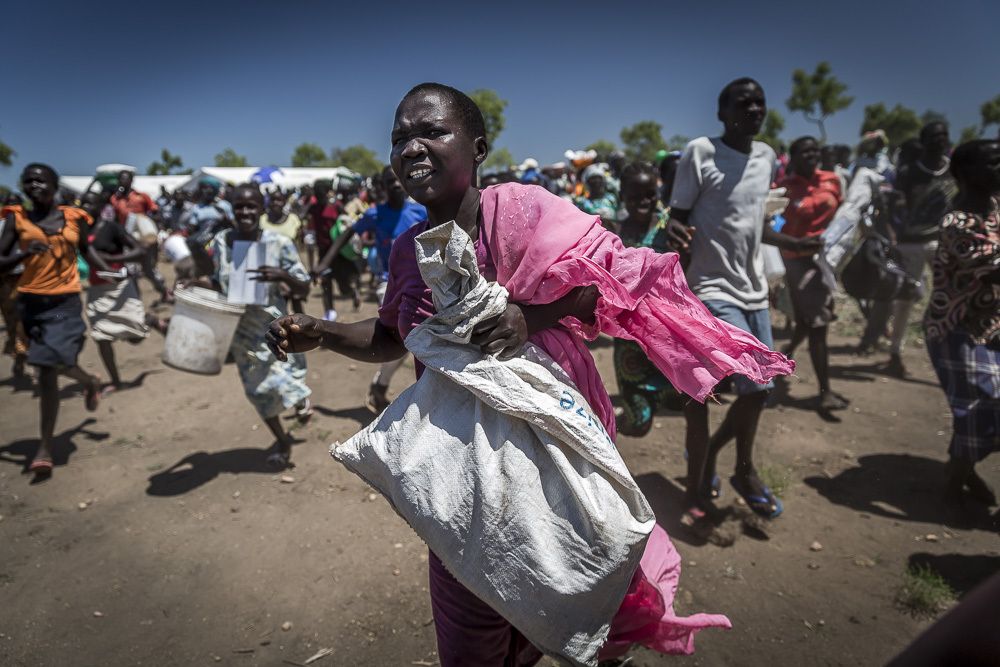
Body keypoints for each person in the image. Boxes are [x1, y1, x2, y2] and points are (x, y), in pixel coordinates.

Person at [265, 82, 793, 666]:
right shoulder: (408, 249)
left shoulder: (523, 211)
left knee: (579, 579)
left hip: (556, 450)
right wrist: (325, 333)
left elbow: (606, 289)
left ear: (478, 147)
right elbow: (393, 336)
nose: (412, 148)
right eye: (400, 138)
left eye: (432, 132)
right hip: (461, 472)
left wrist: (533, 314)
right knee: (474, 616)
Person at [665, 77, 799, 520]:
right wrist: (676, 232)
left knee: (760, 392)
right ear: (722, 113)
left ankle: (735, 467)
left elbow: (753, 222)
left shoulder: (765, 158)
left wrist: (798, 244)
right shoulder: (701, 152)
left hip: (754, 288)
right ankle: (715, 469)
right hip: (713, 286)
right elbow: (677, 217)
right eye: (745, 102)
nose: (755, 109)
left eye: (760, 101)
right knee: (752, 382)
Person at [193, 183, 313, 468]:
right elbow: (219, 281)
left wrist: (281, 275)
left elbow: (304, 286)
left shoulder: (277, 243)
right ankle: (282, 440)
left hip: (275, 330)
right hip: (241, 333)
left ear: (261, 209)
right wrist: (196, 283)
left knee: (288, 380)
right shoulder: (223, 241)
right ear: (231, 209)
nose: (245, 212)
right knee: (258, 392)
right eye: (239, 206)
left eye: (251, 206)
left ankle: (299, 402)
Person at [0, 163, 102, 477]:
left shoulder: (73, 217)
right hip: (30, 303)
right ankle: (88, 383)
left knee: (49, 363)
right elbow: (1, 260)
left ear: (54, 185)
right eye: (28, 181)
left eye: (41, 181)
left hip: (64, 304)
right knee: (49, 367)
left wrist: (109, 271)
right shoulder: (16, 218)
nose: (34, 186)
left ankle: (45, 447)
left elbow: (87, 251)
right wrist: (23, 255)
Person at [923, 139, 999, 507]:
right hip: (957, 331)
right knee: (982, 404)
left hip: (993, 328)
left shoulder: (996, 211)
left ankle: (962, 473)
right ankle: (955, 484)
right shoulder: (957, 224)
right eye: (994, 162)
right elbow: (992, 267)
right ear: (966, 173)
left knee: (982, 407)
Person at [314, 165, 427, 412]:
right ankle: (383, 387)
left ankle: (381, 386)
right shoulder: (375, 214)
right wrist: (324, 262)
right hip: (389, 283)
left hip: (422, 283)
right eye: (390, 181)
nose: (396, 184)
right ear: (383, 187)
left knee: (413, 340)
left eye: (399, 179)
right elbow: (346, 234)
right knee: (405, 337)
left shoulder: (421, 211)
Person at [777, 136, 847, 411]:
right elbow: (775, 222)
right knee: (818, 324)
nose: (811, 155)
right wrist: (791, 239)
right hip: (798, 261)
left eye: (814, 150)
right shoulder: (783, 188)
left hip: (829, 260)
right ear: (793, 157)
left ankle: (784, 355)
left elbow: (843, 214)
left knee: (810, 319)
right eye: (804, 151)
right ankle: (825, 391)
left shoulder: (832, 180)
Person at [612, 162, 683, 434]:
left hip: (669, 337)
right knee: (640, 424)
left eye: (650, 195)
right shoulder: (613, 233)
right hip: (631, 342)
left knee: (680, 403)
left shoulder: (670, 229)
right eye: (634, 196)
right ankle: (606, 430)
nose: (643, 202)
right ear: (622, 198)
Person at [79, 190, 150, 393]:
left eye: (90, 204)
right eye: (82, 203)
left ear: (101, 208)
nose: (85, 208)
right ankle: (115, 381)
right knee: (101, 336)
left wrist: (109, 261)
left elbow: (140, 251)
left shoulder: (112, 228)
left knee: (136, 336)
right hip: (96, 290)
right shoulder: (81, 231)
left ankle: (149, 320)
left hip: (120, 287)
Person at [110, 168, 169, 302]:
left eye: (126, 178)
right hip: (126, 239)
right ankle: (136, 300)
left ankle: (164, 292)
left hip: (143, 240)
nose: (123, 181)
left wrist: (155, 229)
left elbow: (155, 212)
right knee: (132, 272)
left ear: (131, 180)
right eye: (121, 178)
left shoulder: (142, 196)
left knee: (149, 271)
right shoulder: (114, 199)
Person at [179, 176, 234, 278]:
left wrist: (225, 220)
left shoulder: (224, 205)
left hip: (222, 241)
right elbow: (193, 227)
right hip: (203, 242)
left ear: (215, 189)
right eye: (204, 188)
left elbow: (233, 224)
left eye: (209, 187)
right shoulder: (197, 208)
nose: (206, 190)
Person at [303, 179, 341, 321]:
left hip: (338, 250)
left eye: (321, 194)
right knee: (326, 282)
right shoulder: (313, 207)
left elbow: (345, 221)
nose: (320, 198)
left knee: (346, 281)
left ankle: (354, 292)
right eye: (317, 195)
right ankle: (329, 310)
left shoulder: (336, 206)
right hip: (324, 251)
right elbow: (302, 214)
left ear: (327, 193)